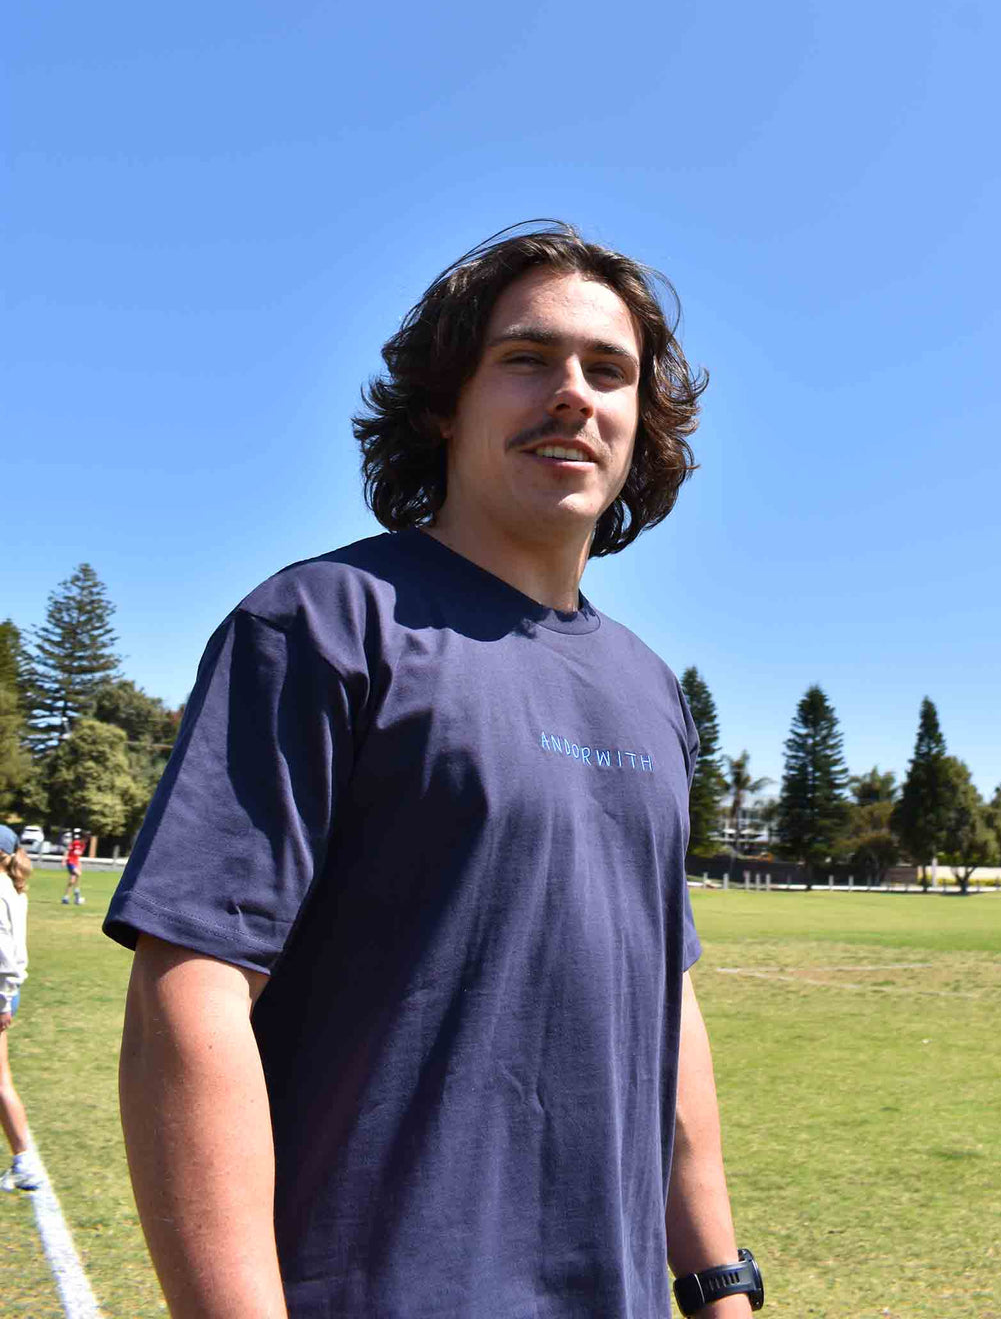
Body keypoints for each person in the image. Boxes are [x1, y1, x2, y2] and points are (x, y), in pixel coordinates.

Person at [105, 224, 762, 1318]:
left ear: (640, 424)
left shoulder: (652, 689)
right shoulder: (319, 626)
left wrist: (717, 1286)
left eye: (608, 372)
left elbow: (667, 1005)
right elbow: (192, 987)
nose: (571, 395)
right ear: (442, 406)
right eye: (525, 359)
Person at [0, 824, 43, 1192]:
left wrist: (2, 1001)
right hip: (4, 991)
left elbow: (5, 956)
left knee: (1, 1081)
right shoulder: (12, 888)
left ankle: (25, 1161)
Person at [62, 829, 86, 905]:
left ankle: (65, 898)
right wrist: (64, 860)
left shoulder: (83, 846)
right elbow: (67, 851)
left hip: (75, 863)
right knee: (78, 874)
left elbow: (78, 856)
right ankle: (77, 893)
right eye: (85, 839)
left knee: (72, 881)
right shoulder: (75, 843)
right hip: (70, 862)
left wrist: (79, 864)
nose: (85, 841)